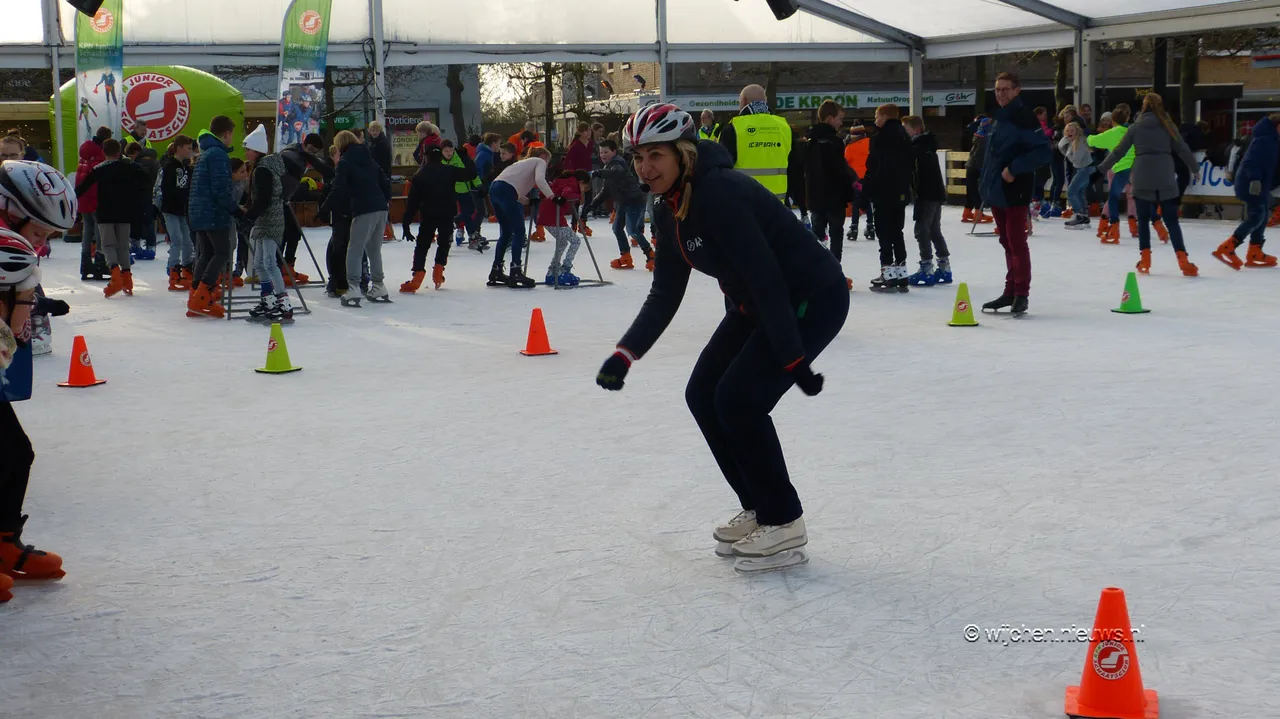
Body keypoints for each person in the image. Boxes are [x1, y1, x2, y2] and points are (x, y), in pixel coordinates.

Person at [595, 104, 848, 573]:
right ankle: (758, 507)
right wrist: (625, 354)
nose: (644, 168)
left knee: (738, 400)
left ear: (683, 154)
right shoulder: (669, 206)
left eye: (655, 156)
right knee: (702, 394)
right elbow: (665, 292)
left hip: (810, 297)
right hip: (756, 302)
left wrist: (794, 362)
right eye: (638, 157)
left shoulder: (721, 193)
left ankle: (783, 521)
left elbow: (768, 278)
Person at [0, 159, 78, 602]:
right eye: (41, 233)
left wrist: (30, 303)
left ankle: (4, 542)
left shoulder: (14, 249)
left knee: (14, 453)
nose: (43, 245)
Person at [1096, 93, 1200, 277]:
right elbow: (1182, 147)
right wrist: (1195, 168)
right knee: (1172, 220)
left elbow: (1119, 151)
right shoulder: (1167, 125)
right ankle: (1183, 261)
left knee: (1143, 220)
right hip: (1165, 174)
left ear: (1143, 107)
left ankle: (1145, 260)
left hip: (1142, 175)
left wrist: (1102, 169)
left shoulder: (1136, 127)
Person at [979, 72, 1051, 317]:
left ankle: (1021, 293)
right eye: (998, 89)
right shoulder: (999, 117)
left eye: (1006, 89)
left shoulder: (1024, 118)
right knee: (1006, 241)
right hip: (998, 189)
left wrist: (1014, 169)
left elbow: (1043, 152)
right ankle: (1010, 290)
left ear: (1017, 90)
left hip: (1014, 189)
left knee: (1016, 242)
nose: (1001, 94)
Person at [321, 130, 392, 306]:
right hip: (380, 208)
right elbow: (385, 181)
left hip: (363, 209)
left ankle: (353, 287)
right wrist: (384, 200)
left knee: (354, 248)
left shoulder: (345, 161)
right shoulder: (368, 158)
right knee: (374, 249)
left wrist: (325, 208)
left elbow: (339, 188)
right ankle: (378, 285)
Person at [73, 138, 150, 298]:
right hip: (125, 211)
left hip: (105, 212)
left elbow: (83, 187)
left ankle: (115, 277)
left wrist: (70, 199)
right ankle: (127, 278)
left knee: (108, 245)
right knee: (123, 246)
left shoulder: (99, 169)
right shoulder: (129, 167)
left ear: (103, 152)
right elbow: (146, 180)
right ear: (119, 151)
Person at [186, 115, 240, 319]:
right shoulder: (218, 155)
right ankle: (202, 295)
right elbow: (220, 189)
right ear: (226, 133)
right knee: (222, 252)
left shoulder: (206, 152)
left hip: (200, 212)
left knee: (207, 254)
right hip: (213, 212)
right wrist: (234, 208)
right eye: (231, 134)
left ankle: (196, 293)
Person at [400, 145, 471, 293]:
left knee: (422, 245)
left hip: (428, 214)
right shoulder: (449, 171)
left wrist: (406, 224)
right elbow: (471, 174)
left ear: (426, 157)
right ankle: (438, 270)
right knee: (444, 243)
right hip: (447, 213)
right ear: (441, 157)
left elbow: (412, 202)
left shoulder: (420, 175)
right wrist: (465, 157)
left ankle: (417, 275)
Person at [1213, 113, 1280, 270]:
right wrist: (1255, 180)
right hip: (1250, 183)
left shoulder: (1272, 140)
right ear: (1277, 125)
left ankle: (1255, 251)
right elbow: (1251, 162)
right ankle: (1228, 247)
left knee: (1262, 216)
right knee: (1256, 217)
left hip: (1259, 184)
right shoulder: (1264, 139)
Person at [804, 100, 857, 289]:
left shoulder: (809, 140)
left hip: (816, 195)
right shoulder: (834, 142)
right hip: (834, 196)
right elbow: (839, 170)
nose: (841, 123)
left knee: (817, 236)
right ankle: (834, 272)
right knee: (836, 233)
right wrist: (850, 188)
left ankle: (816, 272)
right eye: (839, 119)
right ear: (830, 118)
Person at [487, 146, 557, 289]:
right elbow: (540, 180)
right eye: (548, 160)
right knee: (519, 232)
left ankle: (496, 270)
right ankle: (516, 270)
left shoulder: (521, 164)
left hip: (494, 189)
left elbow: (515, 191)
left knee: (506, 232)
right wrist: (553, 197)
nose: (547, 165)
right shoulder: (539, 161)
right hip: (506, 191)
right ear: (543, 156)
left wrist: (529, 201)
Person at [863, 103, 913, 293]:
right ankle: (901, 273)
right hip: (900, 192)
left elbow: (874, 166)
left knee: (884, 233)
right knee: (897, 232)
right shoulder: (905, 137)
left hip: (883, 191)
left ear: (884, 116)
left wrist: (868, 189)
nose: (875, 121)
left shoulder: (880, 138)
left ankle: (888, 273)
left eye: (877, 116)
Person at [585, 139, 653, 272]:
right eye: (601, 152)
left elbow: (617, 172)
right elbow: (606, 190)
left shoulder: (618, 163)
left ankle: (651, 255)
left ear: (614, 151)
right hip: (624, 201)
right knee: (617, 228)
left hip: (634, 199)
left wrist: (597, 173)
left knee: (632, 230)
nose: (603, 155)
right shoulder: (608, 166)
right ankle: (625, 256)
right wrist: (593, 205)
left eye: (606, 152)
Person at [719, 84, 792, 201]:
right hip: (777, 207)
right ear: (765, 100)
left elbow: (721, 170)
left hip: (744, 203)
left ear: (743, 101)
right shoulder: (784, 127)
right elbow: (794, 166)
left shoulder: (734, 127)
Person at [279, 133, 335, 284]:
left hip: (284, 199)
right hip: (277, 200)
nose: (312, 153)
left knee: (293, 231)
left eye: (315, 152)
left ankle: (287, 266)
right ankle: (279, 268)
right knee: (283, 233)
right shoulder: (292, 155)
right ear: (305, 144)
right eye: (311, 149)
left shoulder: (301, 154)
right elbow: (321, 169)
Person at [903, 115, 951, 287]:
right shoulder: (928, 145)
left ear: (915, 130)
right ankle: (944, 267)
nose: (904, 133)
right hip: (935, 193)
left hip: (927, 195)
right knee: (934, 230)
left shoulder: (918, 148)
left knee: (922, 230)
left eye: (906, 129)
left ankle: (927, 267)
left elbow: (917, 175)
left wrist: (914, 191)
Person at [1087, 104, 1136, 244]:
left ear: (1113, 121)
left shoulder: (1111, 133)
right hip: (1134, 168)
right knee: (1132, 197)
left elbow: (1092, 140)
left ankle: (1106, 226)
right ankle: (1134, 226)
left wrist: (1088, 134)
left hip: (1116, 168)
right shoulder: (1133, 131)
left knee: (1113, 198)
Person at [537, 159, 585, 286]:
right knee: (575, 241)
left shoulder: (560, 181)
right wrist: (569, 197)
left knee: (563, 242)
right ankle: (565, 269)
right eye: (585, 186)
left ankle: (552, 271)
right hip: (554, 216)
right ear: (581, 182)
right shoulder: (571, 183)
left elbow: (544, 192)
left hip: (546, 215)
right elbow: (567, 192)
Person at [159, 134, 195, 291]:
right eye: (188, 148)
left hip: (183, 209)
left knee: (187, 240)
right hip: (171, 209)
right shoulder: (170, 166)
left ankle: (187, 268)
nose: (190, 151)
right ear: (179, 147)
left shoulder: (186, 167)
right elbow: (167, 189)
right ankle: (173, 270)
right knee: (177, 239)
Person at [74, 130, 109, 280]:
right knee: (99, 229)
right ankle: (100, 261)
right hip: (95, 199)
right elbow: (97, 181)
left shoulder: (84, 155)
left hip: (83, 198)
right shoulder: (100, 156)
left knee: (87, 229)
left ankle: (85, 262)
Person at [1060, 122, 1096, 230]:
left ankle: (1080, 215)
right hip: (1082, 169)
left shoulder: (1079, 142)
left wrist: (1067, 153)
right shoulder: (1073, 142)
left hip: (1085, 169)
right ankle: (1084, 216)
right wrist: (1063, 145)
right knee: (1079, 192)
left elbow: (1076, 160)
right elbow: (1064, 151)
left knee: (1071, 192)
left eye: (1072, 130)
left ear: (1077, 131)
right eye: (1067, 131)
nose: (1069, 132)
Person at [843, 124, 873, 238]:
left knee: (856, 202)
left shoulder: (850, 148)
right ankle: (870, 225)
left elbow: (846, 163)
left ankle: (854, 227)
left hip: (857, 179)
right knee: (867, 202)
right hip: (869, 178)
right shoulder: (870, 142)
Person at [962, 118, 992, 224]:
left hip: (971, 165)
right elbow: (979, 154)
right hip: (976, 167)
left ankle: (967, 212)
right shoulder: (984, 137)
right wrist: (981, 167)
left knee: (971, 190)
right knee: (977, 191)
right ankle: (978, 214)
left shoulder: (977, 134)